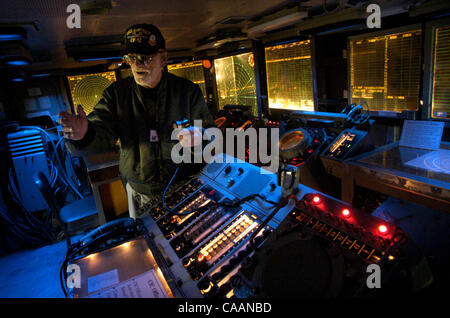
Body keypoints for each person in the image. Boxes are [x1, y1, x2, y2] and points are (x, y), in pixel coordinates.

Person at [59, 24, 216, 219]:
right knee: (149, 239)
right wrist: (83, 135)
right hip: (141, 192)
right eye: (132, 59)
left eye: (145, 58)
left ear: (163, 58)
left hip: (185, 184)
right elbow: (101, 131)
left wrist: (200, 138)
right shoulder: (116, 95)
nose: (137, 65)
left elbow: (210, 133)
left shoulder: (187, 91)